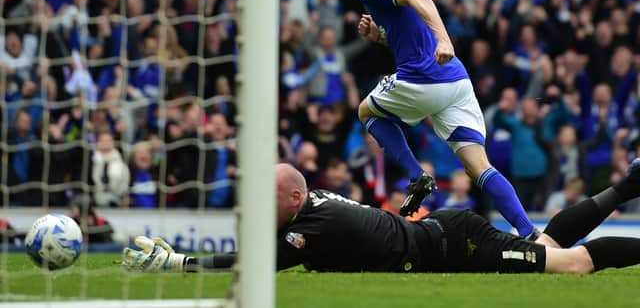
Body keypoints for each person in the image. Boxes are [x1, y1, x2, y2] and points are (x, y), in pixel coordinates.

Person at [342, 0, 534, 238]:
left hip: (424, 78)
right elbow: (412, 28)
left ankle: (417, 175)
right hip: (456, 81)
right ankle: (529, 233)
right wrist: (381, 37)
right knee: (479, 167)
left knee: (365, 111)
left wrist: (444, 40)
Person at [123, 161, 640, 274]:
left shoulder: (312, 226)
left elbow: (252, 266)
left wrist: (179, 263)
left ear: (294, 197)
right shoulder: (318, 205)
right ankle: (628, 186)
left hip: (455, 246)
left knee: (568, 264)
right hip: (439, 231)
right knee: (548, 243)